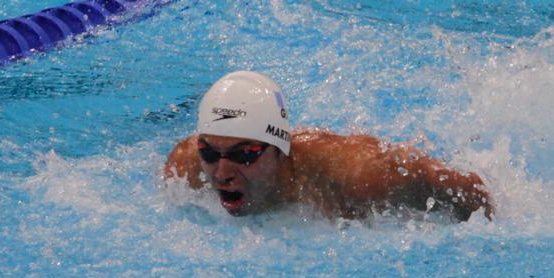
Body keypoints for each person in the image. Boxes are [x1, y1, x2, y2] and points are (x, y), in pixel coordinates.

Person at [163, 71, 492, 221]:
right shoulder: (185, 167)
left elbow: (461, 186)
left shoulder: (355, 176)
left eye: (242, 154)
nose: (221, 173)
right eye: (209, 153)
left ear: (280, 148)